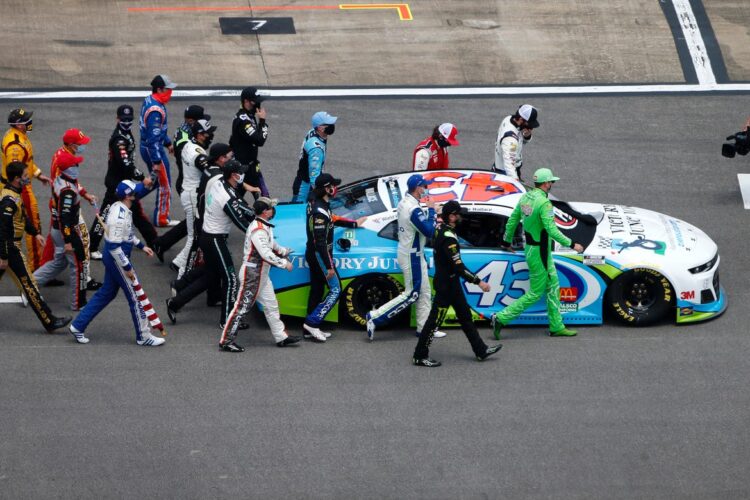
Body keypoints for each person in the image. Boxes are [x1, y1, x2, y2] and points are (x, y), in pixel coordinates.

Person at [490, 167, 584, 339]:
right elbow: (552, 230)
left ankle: (556, 326)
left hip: (532, 249)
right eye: (551, 182)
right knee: (536, 292)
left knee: (553, 285)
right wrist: (572, 244)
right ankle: (501, 317)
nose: (552, 184)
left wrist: (505, 241)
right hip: (541, 252)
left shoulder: (525, 197)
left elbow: (512, 221)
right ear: (546, 183)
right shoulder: (544, 203)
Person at [69, 180, 165, 346]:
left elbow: (126, 234)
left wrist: (141, 246)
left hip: (115, 254)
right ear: (128, 196)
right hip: (118, 257)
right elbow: (115, 246)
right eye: (135, 192)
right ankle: (143, 335)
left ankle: (78, 325)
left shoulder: (119, 207)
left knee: (107, 292)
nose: (137, 193)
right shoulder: (119, 216)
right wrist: (127, 267)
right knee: (135, 296)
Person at [413, 201, 503, 367]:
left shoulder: (441, 228)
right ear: (452, 216)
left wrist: (435, 210)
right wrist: (479, 282)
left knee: (466, 318)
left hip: (451, 283)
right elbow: (459, 267)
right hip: (446, 286)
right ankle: (419, 356)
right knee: (434, 322)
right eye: (458, 214)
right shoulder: (448, 239)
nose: (461, 216)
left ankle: (480, 350)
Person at [366, 173, 447, 340]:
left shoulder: (406, 201)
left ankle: (425, 328)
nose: (426, 189)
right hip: (412, 256)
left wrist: (429, 211)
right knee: (412, 294)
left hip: (413, 253)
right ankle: (374, 317)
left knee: (425, 292)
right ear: (418, 188)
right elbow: (429, 231)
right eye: (425, 186)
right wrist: (432, 211)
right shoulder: (413, 209)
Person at [220, 197, 302, 352]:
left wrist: (283, 250)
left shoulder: (263, 225)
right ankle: (226, 341)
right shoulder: (258, 230)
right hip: (253, 275)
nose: (273, 210)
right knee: (241, 308)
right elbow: (265, 253)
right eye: (271, 207)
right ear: (265, 212)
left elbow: (271, 244)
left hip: (260, 275)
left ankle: (281, 337)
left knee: (271, 306)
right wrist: (284, 263)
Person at [165, 143, 235, 318]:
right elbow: (226, 204)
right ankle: (181, 291)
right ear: (220, 158)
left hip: (205, 224)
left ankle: (181, 292)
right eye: (229, 157)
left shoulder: (210, 171)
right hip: (210, 229)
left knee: (210, 271)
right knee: (219, 271)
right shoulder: (216, 178)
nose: (231, 160)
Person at [0, 161, 71, 333]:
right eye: (25, 176)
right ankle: (49, 321)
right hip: (10, 247)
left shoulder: (14, 192)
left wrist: (35, 233)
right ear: (17, 179)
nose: (28, 178)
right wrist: (3, 256)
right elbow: (3, 230)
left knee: (28, 285)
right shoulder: (9, 201)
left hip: (8, 246)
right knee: (30, 284)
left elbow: (21, 217)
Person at [35, 129, 103, 293]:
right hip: (67, 206)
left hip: (58, 204)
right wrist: (83, 195)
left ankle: (42, 274)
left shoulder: (61, 154)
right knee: (83, 240)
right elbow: (68, 185)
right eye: (80, 144)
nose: (82, 146)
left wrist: (85, 194)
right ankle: (84, 278)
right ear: (72, 145)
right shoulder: (65, 162)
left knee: (54, 241)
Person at [303, 173, 366, 342]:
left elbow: (333, 218)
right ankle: (312, 322)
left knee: (317, 289)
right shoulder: (319, 210)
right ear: (326, 188)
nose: (335, 188)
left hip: (316, 253)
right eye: (333, 186)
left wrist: (353, 223)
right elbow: (320, 242)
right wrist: (329, 266)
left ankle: (310, 327)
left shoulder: (319, 203)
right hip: (319, 255)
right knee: (335, 289)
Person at [90, 105, 157, 260]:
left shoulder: (125, 133)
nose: (127, 122)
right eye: (124, 119)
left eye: (129, 119)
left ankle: (153, 241)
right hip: (116, 185)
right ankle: (92, 246)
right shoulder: (119, 139)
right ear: (117, 119)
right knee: (105, 214)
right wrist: (142, 178)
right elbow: (126, 164)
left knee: (135, 212)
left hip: (125, 183)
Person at [200, 158, 255, 343]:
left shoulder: (221, 183)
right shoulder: (227, 197)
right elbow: (242, 223)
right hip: (214, 238)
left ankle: (176, 302)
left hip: (210, 235)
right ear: (234, 175)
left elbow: (241, 205)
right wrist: (260, 227)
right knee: (231, 278)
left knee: (215, 275)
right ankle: (227, 321)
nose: (243, 174)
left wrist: (256, 212)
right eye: (241, 171)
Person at [34, 153, 88, 310]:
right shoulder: (68, 192)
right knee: (78, 264)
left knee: (59, 262)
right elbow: (65, 217)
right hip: (66, 231)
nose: (78, 167)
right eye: (75, 165)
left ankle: (29, 285)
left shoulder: (61, 180)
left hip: (58, 230)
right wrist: (69, 241)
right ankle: (78, 303)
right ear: (68, 169)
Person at [1, 108, 51, 270]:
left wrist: (37, 174)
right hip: (19, 189)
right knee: (32, 223)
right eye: (27, 121)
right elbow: (15, 171)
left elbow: (26, 162)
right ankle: (36, 267)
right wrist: (19, 192)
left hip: (16, 186)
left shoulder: (19, 137)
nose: (30, 123)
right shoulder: (15, 145)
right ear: (19, 125)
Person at [171, 118, 215, 278]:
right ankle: (182, 275)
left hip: (189, 191)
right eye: (209, 134)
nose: (211, 136)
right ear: (200, 134)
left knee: (195, 235)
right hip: (192, 195)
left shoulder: (187, 145)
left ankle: (178, 262)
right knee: (193, 237)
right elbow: (205, 167)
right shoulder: (197, 152)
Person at [139, 74, 178, 227]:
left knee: (154, 182)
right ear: (160, 89)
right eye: (168, 89)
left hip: (150, 147)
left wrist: (167, 142)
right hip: (153, 150)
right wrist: (156, 161)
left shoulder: (150, 100)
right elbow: (153, 138)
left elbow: (157, 132)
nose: (170, 93)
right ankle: (161, 219)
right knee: (165, 184)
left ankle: (128, 199)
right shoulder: (155, 110)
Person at [229, 87, 269, 199]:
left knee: (265, 199)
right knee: (235, 199)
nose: (258, 104)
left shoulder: (249, 115)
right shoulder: (242, 120)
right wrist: (262, 121)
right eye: (254, 101)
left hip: (252, 166)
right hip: (241, 169)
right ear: (246, 101)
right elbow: (259, 140)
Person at [292, 111, 337, 203]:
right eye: (328, 124)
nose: (332, 125)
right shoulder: (316, 149)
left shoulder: (313, 132)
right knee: (301, 214)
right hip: (304, 188)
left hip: (303, 182)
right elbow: (314, 176)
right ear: (320, 128)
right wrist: (323, 192)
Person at [493, 104, 539, 181]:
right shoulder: (510, 140)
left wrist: (526, 135)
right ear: (521, 119)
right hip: (505, 174)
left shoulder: (509, 119)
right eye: (529, 124)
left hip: (503, 168)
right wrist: (515, 181)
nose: (531, 127)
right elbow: (509, 165)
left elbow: (521, 141)